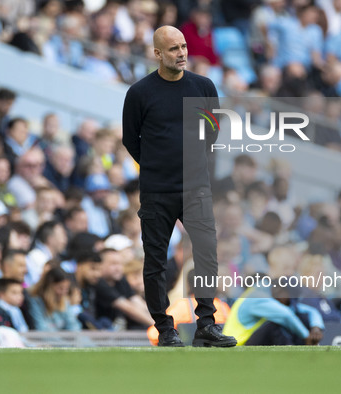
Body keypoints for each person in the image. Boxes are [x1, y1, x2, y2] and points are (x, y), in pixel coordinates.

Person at [122, 25, 236, 347]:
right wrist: (159, 166)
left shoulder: (203, 86)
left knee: (206, 255)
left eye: (183, 46)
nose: (182, 53)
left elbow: (212, 131)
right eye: (173, 49)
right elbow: (131, 140)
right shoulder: (140, 93)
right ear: (157, 54)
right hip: (157, 191)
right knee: (155, 262)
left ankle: (206, 324)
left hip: (196, 188)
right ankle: (165, 328)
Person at [29, 266, 82, 331]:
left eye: (66, 289)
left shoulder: (64, 301)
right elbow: (42, 329)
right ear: (49, 287)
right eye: (60, 288)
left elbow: (73, 325)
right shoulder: (36, 302)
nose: (63, 292)